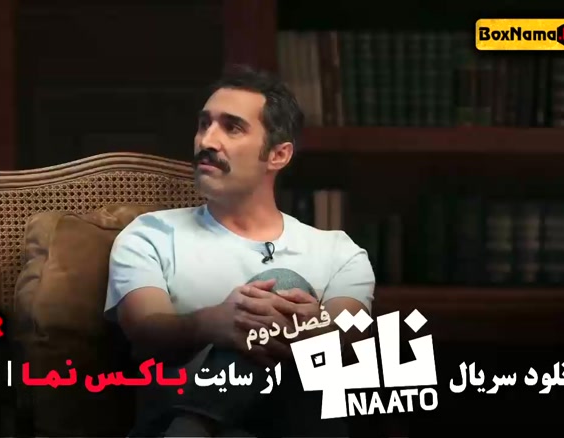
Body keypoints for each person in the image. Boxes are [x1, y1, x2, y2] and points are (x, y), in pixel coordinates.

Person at [104, 65, 376, 437]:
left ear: (278, 155)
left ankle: (193, 426)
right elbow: (145, 330)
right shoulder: (150, 234)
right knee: (283, 286)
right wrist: (212, 323)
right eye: (204, 124)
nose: (207, 140)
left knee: (284, 287)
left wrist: (314, 329)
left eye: (232, 127)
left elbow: (352, 331)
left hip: (292, 425)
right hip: (162, 419)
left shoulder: (339, 251)